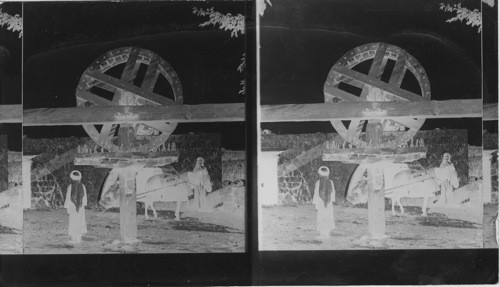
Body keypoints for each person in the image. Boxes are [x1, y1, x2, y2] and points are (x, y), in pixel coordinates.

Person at [64, 170, 88, 244]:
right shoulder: (83, 186)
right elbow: (84, 198)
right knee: (80, 220)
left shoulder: (70, 187)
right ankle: (79, 238)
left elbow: (68, 198)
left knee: (73, 221)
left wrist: (67, 207)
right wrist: (83, 205)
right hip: (80, 207)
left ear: (72, 178)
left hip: (72, 207)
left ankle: (74, 239)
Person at [312, 166, 336, 239]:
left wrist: (316, 205)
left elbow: (316, 194)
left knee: (321, 217)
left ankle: (322, 234)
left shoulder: (318, 182)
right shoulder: (330, 181)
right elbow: (332, 193)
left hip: (320, 203)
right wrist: (331, 201)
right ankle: (327, 234)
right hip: (328, 203)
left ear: (320, 174)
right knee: (328, 216)